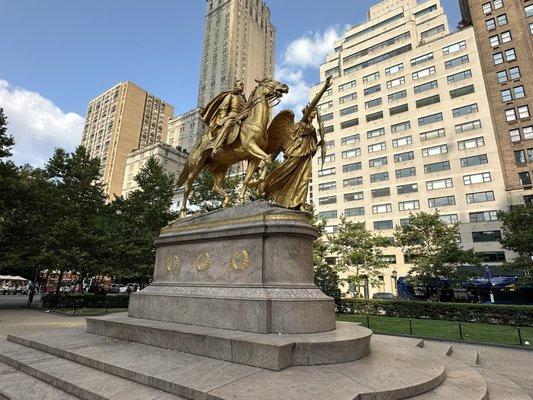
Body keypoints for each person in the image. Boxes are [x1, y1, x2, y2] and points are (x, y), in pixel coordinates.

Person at [263, 105, 321, 210]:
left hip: (306, 158)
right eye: (312, 111)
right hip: (295, 154)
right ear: (306, 112)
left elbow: (312, 146)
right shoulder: (298, 126)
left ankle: (300, 203)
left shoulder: (312, 129)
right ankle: (266, 189)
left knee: (304, 179)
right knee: (282, 173)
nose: (315, 113)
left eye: (315, 112)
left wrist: (318, 145)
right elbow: (286, 141)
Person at [199, 80, 247, 156]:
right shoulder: (230, 95)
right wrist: (223, 119)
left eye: (243, 85)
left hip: (242, 118)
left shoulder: (244, 99)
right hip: (232, 116)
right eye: (240, 84)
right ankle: (217, 147)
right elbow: (224, 107)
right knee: (227, 124)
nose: (242, 86)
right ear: (235, 86)